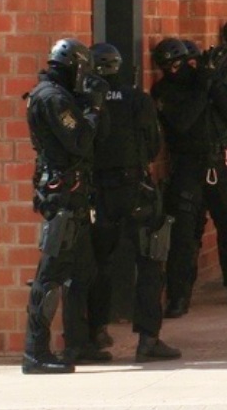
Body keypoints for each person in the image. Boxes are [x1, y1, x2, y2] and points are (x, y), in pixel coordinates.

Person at [151, 35, 227, 315]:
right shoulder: (166, 90)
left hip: (220, 164)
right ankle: (179, 297)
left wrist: (216, 83)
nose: (174, 71)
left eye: (179, 65)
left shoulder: (209, 83)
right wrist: (203, 87)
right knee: (184, 235)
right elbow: (182, 123)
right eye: (168, 66)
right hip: (188, 167)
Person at [85, 43, 181, 363]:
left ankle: (96, 330)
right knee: (150, 261)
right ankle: (148, 339)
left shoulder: (85, 100)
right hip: (134, 188)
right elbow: (153, 145)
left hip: (98, 191)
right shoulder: (136, 98)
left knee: (100, 263)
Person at [22, 38, 106, 374]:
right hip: (62, 196)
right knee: (51, 274)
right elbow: (81, 141)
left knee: (82, 270)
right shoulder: (53, 99)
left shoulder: (55, 95)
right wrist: (95, 108)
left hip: (73, 194)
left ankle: (79, 342)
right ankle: (36, 352)